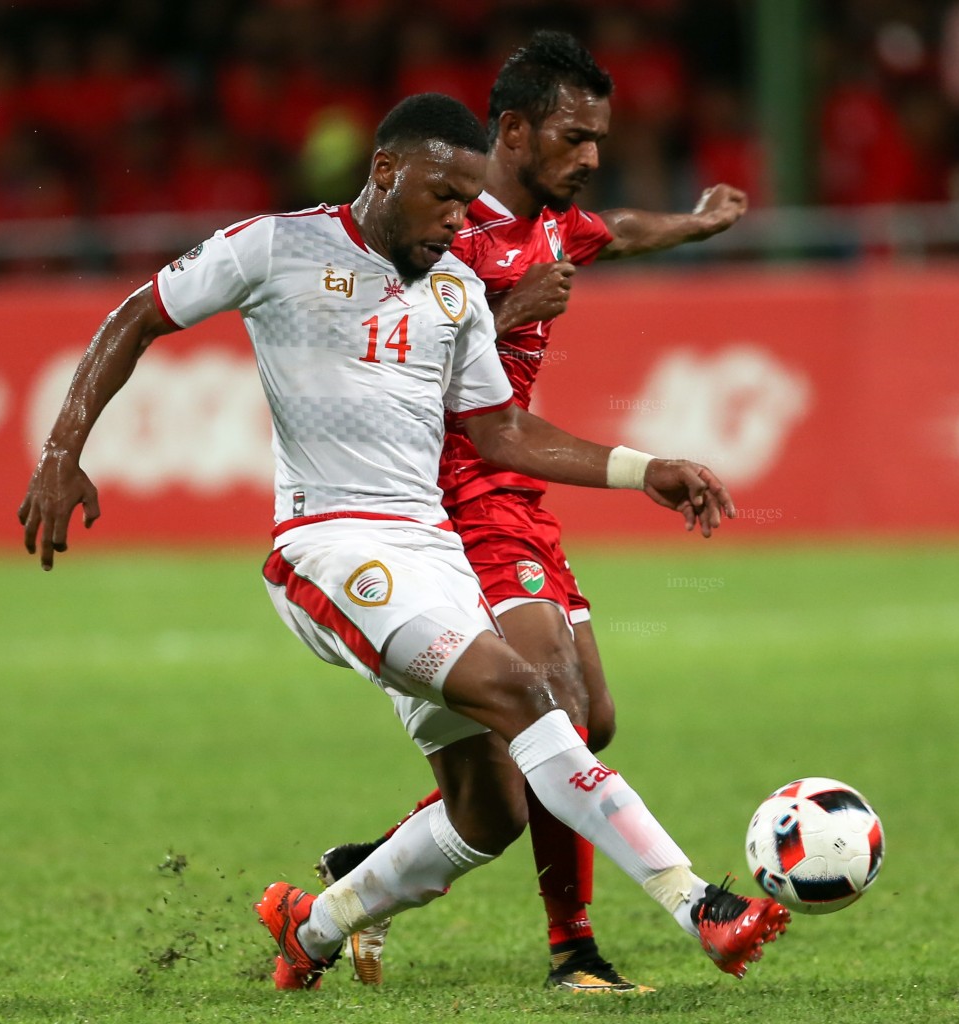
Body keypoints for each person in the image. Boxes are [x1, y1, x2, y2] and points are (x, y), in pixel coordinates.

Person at [17, 93, 788, 993]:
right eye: (444, 198)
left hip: (432, 553)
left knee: (491, 809)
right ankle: (698, 903)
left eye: (469, 204)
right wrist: (61, 451)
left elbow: (500, 431)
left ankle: (312, 926)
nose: (458, 221)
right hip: (329, 547)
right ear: (385, 173)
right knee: (523, 690)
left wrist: (638, 468)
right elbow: (138, 314)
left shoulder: (455, 289)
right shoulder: (277, 246)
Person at [313, 32, 750, 994]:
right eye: (573, 136)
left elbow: (617, 232)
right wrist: (505, 316)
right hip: (449, 492)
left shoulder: (557, 221)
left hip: (517, 492)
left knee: (587, 721)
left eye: (599, 137)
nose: (591, 156)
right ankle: (575, 951)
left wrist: (694, 224)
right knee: (548, 707)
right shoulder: (444, 234)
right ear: (513, 131)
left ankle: (360, 870)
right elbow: (384, 369)